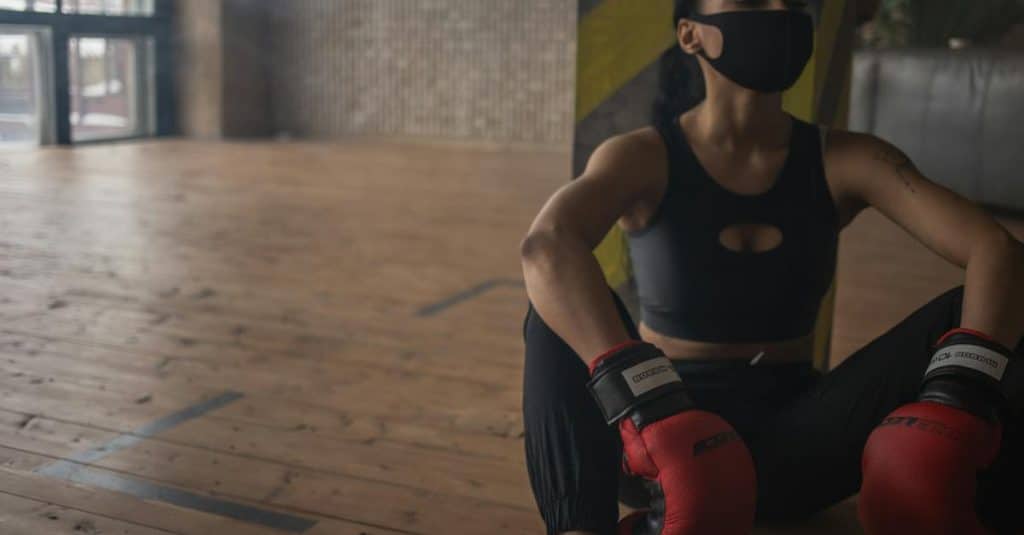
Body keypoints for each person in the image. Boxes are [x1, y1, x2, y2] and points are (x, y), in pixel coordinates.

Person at [519, 1, 1024, 534]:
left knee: (993, 310)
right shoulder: (643, 156)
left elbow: (997, 249)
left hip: (797, 445)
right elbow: (547, 246)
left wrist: (962, 396)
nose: (780, 9)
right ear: (691, 35)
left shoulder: (848, 159)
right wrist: (647, 405)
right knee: (551, 312)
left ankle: (979, 513)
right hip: (663, 438)